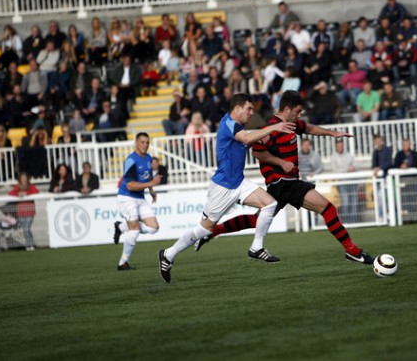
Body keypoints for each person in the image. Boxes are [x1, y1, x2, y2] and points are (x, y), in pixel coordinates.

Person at [194, 91, 375, 267]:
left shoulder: (292, 124)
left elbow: (310, 128)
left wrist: (332, 133)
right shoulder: (272, 128)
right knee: (327, 209)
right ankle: (352, 251)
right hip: (283, 182)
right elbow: (257, 151)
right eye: (298, 111)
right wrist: (280, 162)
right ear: (287, 110)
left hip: (282, 184)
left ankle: (211, 232)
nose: (300, 115)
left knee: (256, 221)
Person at [157, 93, 296, 283]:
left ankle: (256, 247)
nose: (251, 113)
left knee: (270, 204)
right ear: (237, 108)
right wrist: (274, 127)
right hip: (223, 187)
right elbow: (245, 139)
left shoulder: (237, 125)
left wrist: (259, 138)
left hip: (238, 182)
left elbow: (245, 140)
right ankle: (168, 254)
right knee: (204, 230)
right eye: (248, 109)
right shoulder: (230, 124)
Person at [113, 133, 162, 271]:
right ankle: (123, 263)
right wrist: (152, 183)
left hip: (140, 198)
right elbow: (130, 185)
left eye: (147, 142)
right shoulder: (130, 160)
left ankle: (122, 227)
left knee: (153, 228)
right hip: (127, 197)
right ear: (136, 142)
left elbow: (147, 177)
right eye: (142, 142)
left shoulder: (148, 158)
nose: (145, 145)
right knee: (134, 230)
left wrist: (151, 190)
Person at [8, 172, 39, 251]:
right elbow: (10, 193)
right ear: (20, 180)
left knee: (26, 228)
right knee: (25, 229)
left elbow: (36, 192)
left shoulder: (31, 186)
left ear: (27, 179)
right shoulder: (17, 187)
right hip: (21, 211)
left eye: (25, 178)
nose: (24, 180)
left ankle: (29, 244)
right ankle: (31, 244)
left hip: (29, 211)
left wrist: (26, 193)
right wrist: (18, 194)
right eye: (22, 179)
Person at [331, 139, 360, 223]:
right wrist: (347, 169)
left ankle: (354, 223)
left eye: (341, 145)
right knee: (346, 203)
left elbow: (357, 165)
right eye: (338, 146)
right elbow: (334, 171)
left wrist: (353, 168)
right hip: (342, 183)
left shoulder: (348, 155)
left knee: (354, 204)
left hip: (352, 182)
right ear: (336, 147)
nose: (340, 147)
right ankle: (347, 223)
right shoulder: (333, 157)